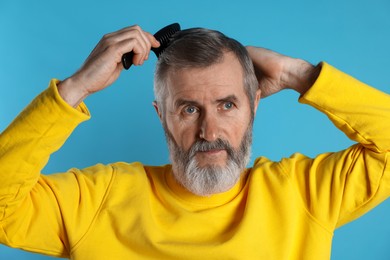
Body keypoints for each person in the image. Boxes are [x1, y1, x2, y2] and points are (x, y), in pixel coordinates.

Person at [0, 24, 389, 259]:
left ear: (254, 106)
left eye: (227, 105)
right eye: (188, 109)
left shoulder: (303, 194)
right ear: (161, 115)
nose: (210, 132)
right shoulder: (99, 199)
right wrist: (75, 87)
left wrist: (299, 74)